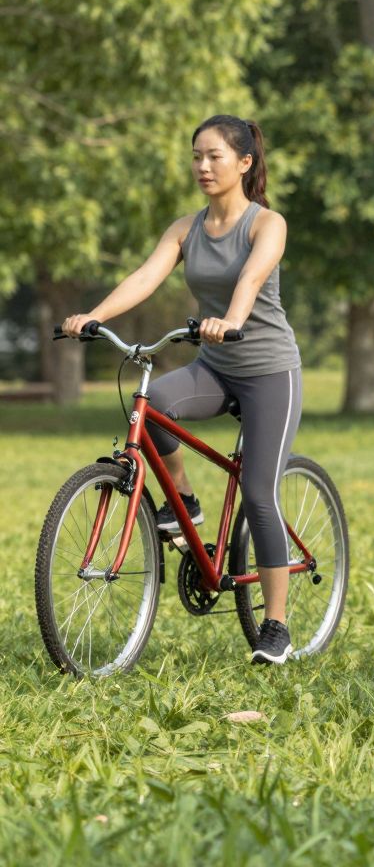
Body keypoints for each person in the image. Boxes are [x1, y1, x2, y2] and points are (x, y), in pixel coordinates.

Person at [62, 115, 305, 666]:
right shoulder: (185, 227)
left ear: (244, 163)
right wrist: (94, 316)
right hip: (215, 367)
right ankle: (186, 504)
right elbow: (146, 277)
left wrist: (231, 318)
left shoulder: (267, 224)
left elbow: (249, 280)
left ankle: (276, 625)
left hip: (270, 372)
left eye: (214, 156)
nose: (202, 165)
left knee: (260, 494)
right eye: (196, 155)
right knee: (151, 409)